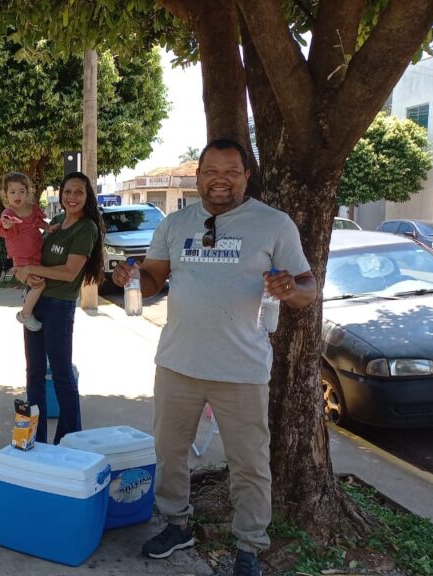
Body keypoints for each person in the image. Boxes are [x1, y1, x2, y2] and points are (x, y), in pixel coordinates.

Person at [112, 139, 317, 576]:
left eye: (230, 171)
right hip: (177, 363)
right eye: (210, 171)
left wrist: (290, 290)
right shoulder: (175, 223)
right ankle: (177, 523)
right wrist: (132, 277)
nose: (219, 179)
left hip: (241, 369)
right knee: (169, 452)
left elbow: (307, 287)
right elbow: (152, 280)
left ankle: (248, 547)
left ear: (246, 176)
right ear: (199, 176)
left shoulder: (273, 224)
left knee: (249, 462)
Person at [13, 171, 104, 444]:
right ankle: (34, 438)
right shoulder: (56, 222)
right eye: (68, 191)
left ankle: (69, 439)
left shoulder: (86, 228)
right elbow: (30, 256)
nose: (72, 197)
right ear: (61, 195)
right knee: (34, 373)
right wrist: (23, 272)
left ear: (87, 197)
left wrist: (32, 268)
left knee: (62, 374)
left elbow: (69, 272)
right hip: (37, 302)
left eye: (78, 192)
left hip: (59, 307)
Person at [0, 172, 50, 331]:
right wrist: (7, 225)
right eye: (12, 192)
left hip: (36, 253)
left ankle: (28, 295)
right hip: (22, 259)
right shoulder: (9, 213)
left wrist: (49, 228)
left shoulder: (33, 209)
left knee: (37, 282)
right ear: (6, 195)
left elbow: (40, 223)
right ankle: (25, 314)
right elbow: (3, 224)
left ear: (28, 192)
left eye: (21, 191)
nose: (17, 195)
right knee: (40, 284)